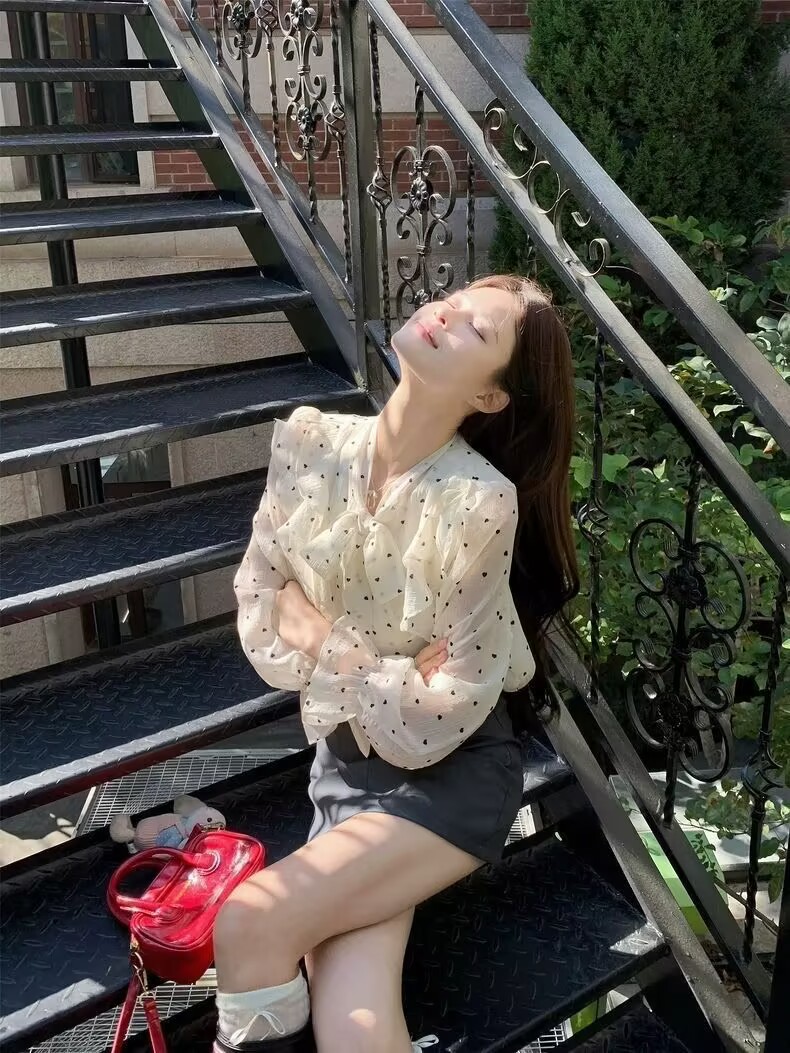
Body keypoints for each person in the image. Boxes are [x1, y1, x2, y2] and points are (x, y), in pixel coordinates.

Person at [213, 274, 580, 1053]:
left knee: (249, 919)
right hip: (347, 765)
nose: (449, 310)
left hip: (454, 775)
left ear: (488, 397)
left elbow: (446, 708)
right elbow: (260, 600)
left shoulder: (481, 501)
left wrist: (328, 641)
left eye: (479, 329)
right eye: (458, 298)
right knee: (354, 1022)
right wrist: (391, 671)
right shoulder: (311, 442)